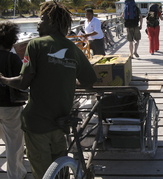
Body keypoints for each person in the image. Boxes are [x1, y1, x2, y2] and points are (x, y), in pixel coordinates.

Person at [0, 2, 97, 179]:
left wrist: (3, 79)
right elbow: (89, 81)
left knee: (42, 173)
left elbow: (23, 82)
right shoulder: (74, 49)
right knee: (60, 172)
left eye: (42, 18)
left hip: (37, 124)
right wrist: (64, 79)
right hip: (61, 123)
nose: (38, 23)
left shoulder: (35, 45)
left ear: (52, 21)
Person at [0, 21, 27, 179]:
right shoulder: (13, 59)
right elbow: (23, 81)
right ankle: (16, 175)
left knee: (6, 136)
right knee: (14, 142)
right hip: (10, 106)